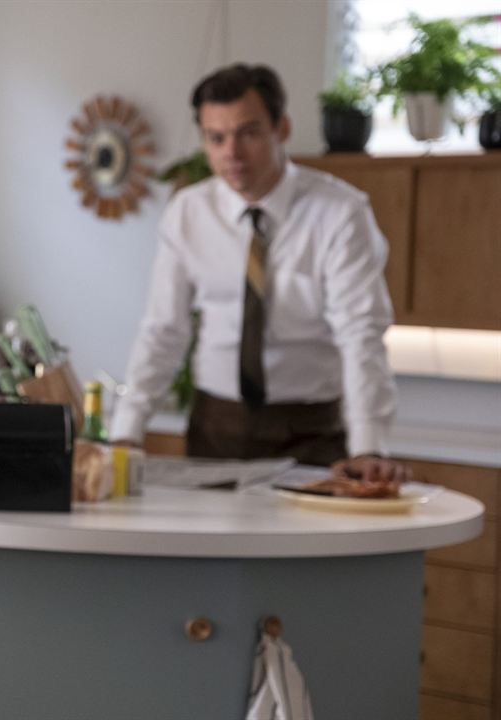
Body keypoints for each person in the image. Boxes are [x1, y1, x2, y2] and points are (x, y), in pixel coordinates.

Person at [109, 63, 408, 485]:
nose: (232, 152)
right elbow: (163, 329)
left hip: (312, 430)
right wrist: (126, 431)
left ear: (281, 128)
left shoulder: (340, 213)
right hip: (215, 427)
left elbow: (360, 334)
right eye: (216, 138)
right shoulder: (188, 213)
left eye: (248, 133)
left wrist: (368, 446)